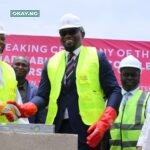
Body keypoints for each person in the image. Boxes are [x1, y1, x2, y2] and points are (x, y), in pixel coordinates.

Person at [6, 13, 122, 150]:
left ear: (82, 33)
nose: (67, 35)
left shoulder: (97, 57)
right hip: (58, 128)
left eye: (72, 31)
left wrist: (105, 121)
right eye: (63, 32)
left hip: (91, 129)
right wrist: (26, 108)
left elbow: (115, 91)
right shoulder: (51, 62)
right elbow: (43, 96)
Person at [110, 55, 150, 150]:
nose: (129, 78)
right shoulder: (112, 98)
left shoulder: (147, 98)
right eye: (126, 74)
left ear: (139, 75)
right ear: (120, 75)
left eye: (133, 75)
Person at [0, 24, 28, 123]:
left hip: (6, 133)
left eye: (2, 39)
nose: (1, 42)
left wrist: (26, 130)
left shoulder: (9, 70)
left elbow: (17, 105)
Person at [12, 56, 47, 123]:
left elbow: (40, 120)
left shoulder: (37, 92)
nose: (20, 67)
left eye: (24, 65)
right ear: (11, 67)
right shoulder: (3, 87)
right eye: (17, 64)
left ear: (28, 69)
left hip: (28, 131)